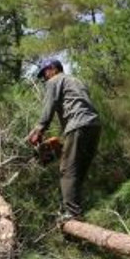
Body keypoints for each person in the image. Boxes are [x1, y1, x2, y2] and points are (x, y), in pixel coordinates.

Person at [26, 58, 101, 220]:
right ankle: (78, 211)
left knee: (67, 170)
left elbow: (48, 108)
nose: (44, 77)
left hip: (78, 126)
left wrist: (38, 130)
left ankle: (72, 214)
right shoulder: (76, 80)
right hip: (94, 126)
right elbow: (78, 106)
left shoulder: (55, 80)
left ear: (53, 69)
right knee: (78, 171)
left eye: (44, 73)